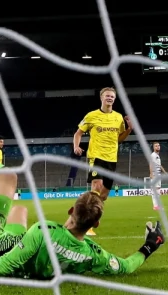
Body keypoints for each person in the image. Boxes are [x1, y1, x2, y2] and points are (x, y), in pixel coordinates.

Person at [0, 119, 165, 281]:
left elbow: (3, 266)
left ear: (71, 210)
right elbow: (126, 266)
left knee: (8, 177)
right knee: (18, 211)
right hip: (21, 247)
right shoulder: (92, 253)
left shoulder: (44, 230)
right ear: (95, 224)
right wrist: (149, 245)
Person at [74, 87, 130, 235]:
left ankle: (83, 212)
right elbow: (78, 133)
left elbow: (119, 139)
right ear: (101, 98)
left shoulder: (118, 118)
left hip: (112, 158)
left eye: (112, 96)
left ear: (115, 99)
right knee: (96, 186)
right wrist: (76, 145)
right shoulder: (91, 115)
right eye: (107, 96)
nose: (110, 98)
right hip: (96, 156)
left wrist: (129, 129)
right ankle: (87, 224)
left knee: (103, 196)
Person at [147, 141, 166, 211]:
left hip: (158, 174)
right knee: (155, 191)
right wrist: (151, 174)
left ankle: (157, 205)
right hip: (155, 175)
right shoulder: (153, 155)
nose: (158, 147)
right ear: (153, 147)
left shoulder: (157, 156)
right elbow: (150, 164)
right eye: (156, 146)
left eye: (158, 145)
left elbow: (159, 165)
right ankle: (155, 206)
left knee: (157, 190)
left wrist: (165, 172)